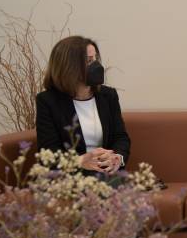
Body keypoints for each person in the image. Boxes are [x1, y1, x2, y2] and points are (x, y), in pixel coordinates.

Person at [36, 35, 130, 178]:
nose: (96, 66)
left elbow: (120, 137)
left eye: (95, 59)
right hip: (69, 177)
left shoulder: (108, 95)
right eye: (88, 60)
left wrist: (117, 158)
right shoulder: (48, 101)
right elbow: (49, 152)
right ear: (68, 67)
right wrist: (80, 161)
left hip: (105, 174)